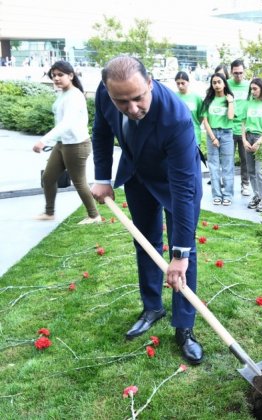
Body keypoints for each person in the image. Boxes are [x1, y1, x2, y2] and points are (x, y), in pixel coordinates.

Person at [89, 56, 204, 365]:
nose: (133, 108)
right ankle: (152, 306)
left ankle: (184, 327)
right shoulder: (103, 94)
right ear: (108, 92)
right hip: (137, 173)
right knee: (145, 242)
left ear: (150, 83)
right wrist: (102, 178)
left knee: (184, 254)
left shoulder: (175, 117)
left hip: (175, 180)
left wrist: (179, 255)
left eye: (138, 98)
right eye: (122, 101)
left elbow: (182, 190)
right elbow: (100, 132)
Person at [32, 60, 101, 224]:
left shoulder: (75, 96)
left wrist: (44, 140)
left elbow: (67, 123)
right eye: (53, 75)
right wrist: (53, 140)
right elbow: (61, 123)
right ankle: (49, 213)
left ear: (71, 75)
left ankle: (94, 216)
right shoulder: (63, 93)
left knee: (79, 182)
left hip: (77, 145)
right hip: (62, 144)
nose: (56, 78)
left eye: (60, 75)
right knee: (48, 178)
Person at [241, 78, 262, 213]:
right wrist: (244, 140)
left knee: (261, 171)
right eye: (251, 89)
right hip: (248, 137)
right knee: (251, 170)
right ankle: (257, 196)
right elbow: (243, 123)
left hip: (261, 138)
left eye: (255, 88)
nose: (253, 91)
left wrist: (259, 142)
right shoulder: (248, 104)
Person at [202, 73, 235, 206]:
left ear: (224, 83)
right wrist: (213, 138)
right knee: (214, 166)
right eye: (214, 82)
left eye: (219, 82)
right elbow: (205, 121)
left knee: (227, 166)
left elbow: (231, 117)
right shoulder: (208, 101)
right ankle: (216, 195)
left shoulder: (230, 99)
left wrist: (230, 101)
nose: (216, 85)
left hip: (227, 134)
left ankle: (227, 195)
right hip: (212, 134)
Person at [227, 59, 251, 197]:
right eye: (236, 73)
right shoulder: (226, 84)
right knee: (228, 159)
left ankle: (245, 185)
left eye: (241, 73)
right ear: (231, 72)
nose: (238, 76)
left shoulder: (248, 86)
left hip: (244, 127)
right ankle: (228, 185)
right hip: (229, 127)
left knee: (245, 159)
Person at [174, 71, 204, 150]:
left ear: (188, 82)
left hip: (194, 134)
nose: (180, 86)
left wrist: (194, 124)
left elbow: (200, 116)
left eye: (183, 83)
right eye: (178, 83)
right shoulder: (173, 97)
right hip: (178, 135)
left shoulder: (196, 97)